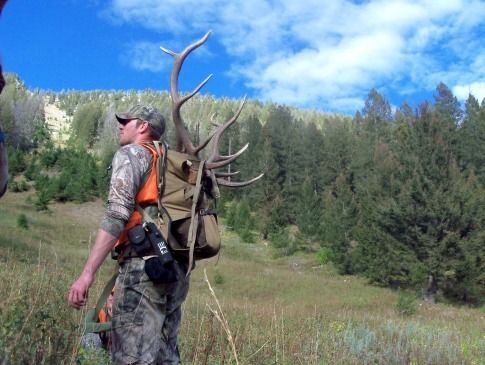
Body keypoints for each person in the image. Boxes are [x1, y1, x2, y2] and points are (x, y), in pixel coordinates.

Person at [68, 105, 190, 365]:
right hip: (176, 272)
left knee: (131, 358)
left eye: (126, 120)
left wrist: (87, 274)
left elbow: (117, 214)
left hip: (143, 267)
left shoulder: (132, 154)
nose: (120, 124)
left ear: (143, 126)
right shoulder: (174, 164)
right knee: (165, 357)